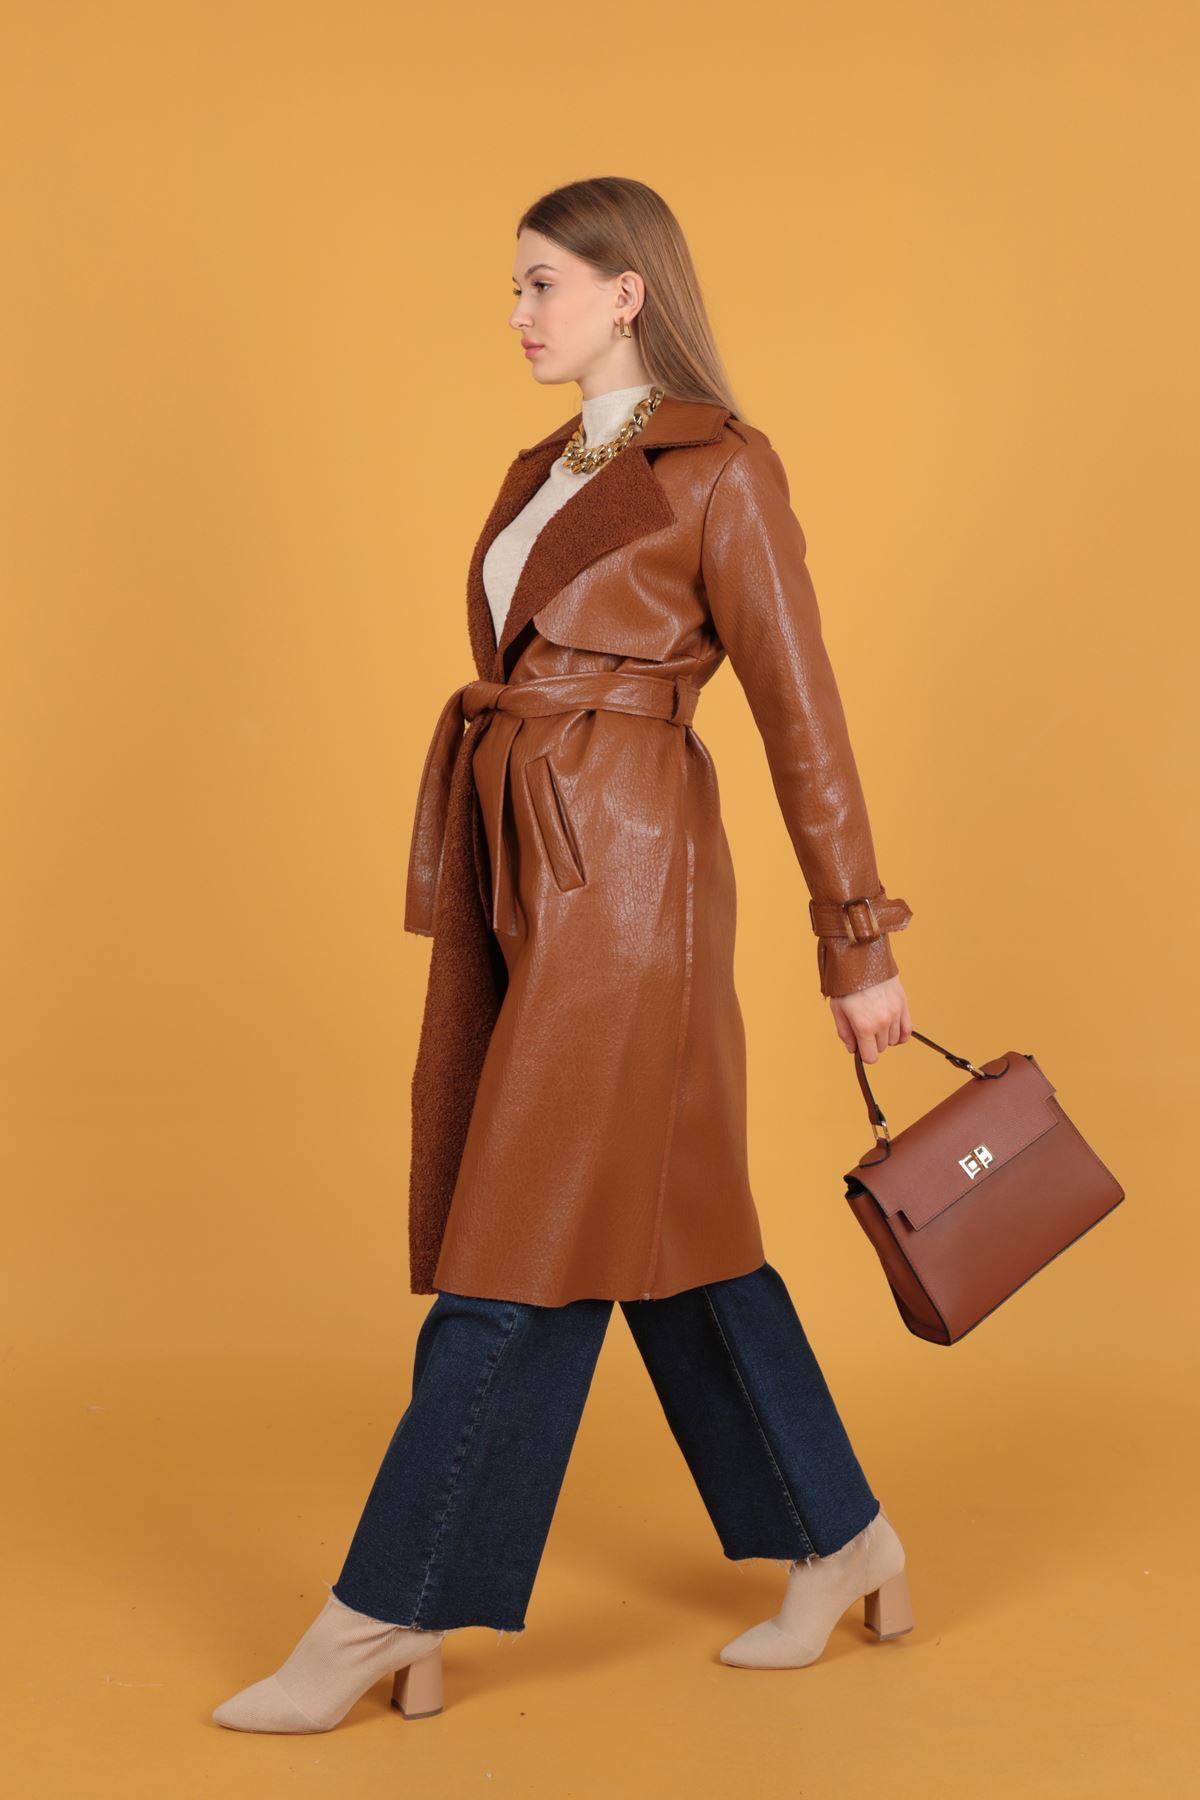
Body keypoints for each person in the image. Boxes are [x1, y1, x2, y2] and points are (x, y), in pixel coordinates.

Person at [212, 175, 917, 1736]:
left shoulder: (720, 468)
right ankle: (843, 1536)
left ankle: (384, 1610)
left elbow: (802, 713)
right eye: (516, 287)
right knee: (677, 1244)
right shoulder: (543, 469)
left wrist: (856, 940)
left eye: (543, 283)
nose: (520, 313)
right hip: (530, 864)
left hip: (633, 887)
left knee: (517, 1238)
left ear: (626, 292)